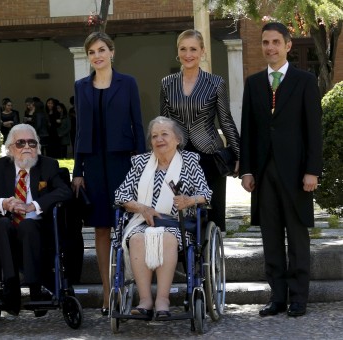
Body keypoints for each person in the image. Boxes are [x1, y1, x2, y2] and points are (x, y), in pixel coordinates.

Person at [240, 22, 323, 318]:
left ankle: (299, 297)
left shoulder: (304, 81)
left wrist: (312, 170)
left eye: (276, 42)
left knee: (298, 237)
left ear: (288, 45)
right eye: (265, 42)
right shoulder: (252, 83)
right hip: (263, 174)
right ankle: (277, 297)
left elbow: (314, 130)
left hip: (297, 173)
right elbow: (247, 130)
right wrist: (247, 170)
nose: (270, 47)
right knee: (271, 236)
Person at [72, 31, 146, 316]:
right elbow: (79, 132)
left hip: (122, 163)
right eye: (92, 52)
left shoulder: (128, 83)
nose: (97, 56)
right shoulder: (81, 87)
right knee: (101, 229)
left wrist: (140, 165)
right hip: (93, 164)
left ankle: (130, 285)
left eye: (101, 50)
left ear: (112, 52)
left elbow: (137, 125)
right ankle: (107, 291)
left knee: (126, 227)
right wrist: (78, 170)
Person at [114, 116, 212, 318]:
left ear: (177, 139)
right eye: (155, 136)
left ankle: (163, 300)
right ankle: (145, 300)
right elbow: (120, 195)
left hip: (178, 223)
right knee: (137, 238)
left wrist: (190, 200)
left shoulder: (190, 161)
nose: (159, 139)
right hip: (143, 221)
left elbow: (206, 193)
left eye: (164, 134)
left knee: (167, 237)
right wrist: (142, 208)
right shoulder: (141, 162)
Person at [0, 124, 72, 315]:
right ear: (10, 148)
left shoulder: (48, 165)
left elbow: (64, 191)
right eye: (20, 143)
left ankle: (36, 288)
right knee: (3, 223)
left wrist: (34, 206)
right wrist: (4, 203)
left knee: (28, 224)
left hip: (36, 229)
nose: (27, 147)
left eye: (32, 142)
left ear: (37, 147)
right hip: (7, 230)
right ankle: (11, 288)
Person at [160, 29, 240, 231]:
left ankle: (211, 258)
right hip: (178, 157)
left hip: (210, 157)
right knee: (180, 216)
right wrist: (159, 155)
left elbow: (226, 121)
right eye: (183, 49)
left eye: (193, 49)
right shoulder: (167, 84)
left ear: (202, 51)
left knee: (211, 216)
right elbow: (164, 124)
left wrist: (239, 155)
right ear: (177, 52)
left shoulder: (216, 83)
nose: (188, 54)